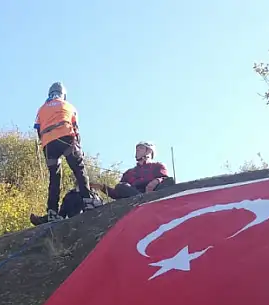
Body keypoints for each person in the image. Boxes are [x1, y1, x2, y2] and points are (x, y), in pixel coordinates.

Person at [29, 81, 93, 226]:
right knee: (79, 168)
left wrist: (46, 144)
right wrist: (78, 146)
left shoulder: (42, 109)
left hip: (48, 144)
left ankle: (52, 211)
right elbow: (75, 127)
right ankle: (89, 201)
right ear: (63, 94)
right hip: (66, 137)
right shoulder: (68, 106)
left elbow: (38, 129)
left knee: (55, 177)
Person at [92, 141, 175, 200]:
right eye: (137, 149)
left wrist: (156, 181)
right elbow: (117, 193)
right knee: (120, 186)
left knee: (170, 181)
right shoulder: (129, 173)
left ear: (149, 151)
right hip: (135, 195)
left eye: (141, 148)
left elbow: (165, 179)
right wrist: (102, 187)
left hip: (154, 193)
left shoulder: (158, 166)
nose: (137, 150)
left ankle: (148, 199)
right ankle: (143, 199)